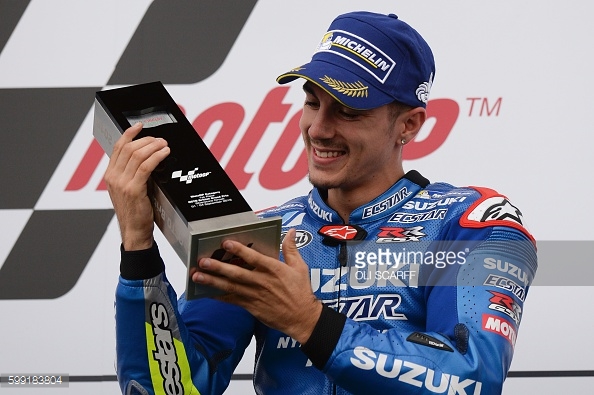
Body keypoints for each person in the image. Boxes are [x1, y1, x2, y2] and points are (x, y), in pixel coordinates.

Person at [105, 11, 537, 395]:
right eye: (312, 102)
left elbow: (472, 378)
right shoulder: (262, 234)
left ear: (408, 125)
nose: (319, 129)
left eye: (348, 111)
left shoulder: (471, 221)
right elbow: (175, 388)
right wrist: (138, 251)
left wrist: (310, 322)